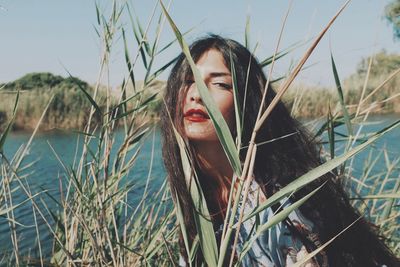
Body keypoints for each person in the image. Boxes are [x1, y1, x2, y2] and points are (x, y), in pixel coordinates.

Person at [160, 35, 399, 266]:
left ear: (247, 102)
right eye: (188, 81)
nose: (196, 94)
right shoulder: (196, 195)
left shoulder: (277, 203)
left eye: (220, 84)